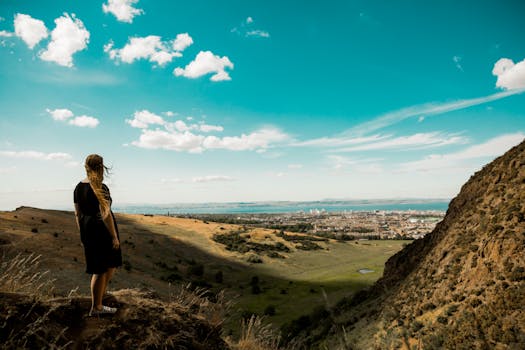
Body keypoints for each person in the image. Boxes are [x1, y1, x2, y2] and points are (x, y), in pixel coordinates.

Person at [74, 154, 122, 316]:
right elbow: (106, 215)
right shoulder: (101, 188)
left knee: (106, 265)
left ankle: (99, 299)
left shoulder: (78, 188)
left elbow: (77, 214)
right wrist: (114, 236)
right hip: (102, 230)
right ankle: (97, 307)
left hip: (88, 229)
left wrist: (82, 234)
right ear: (101, 167)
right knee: (102, 268)